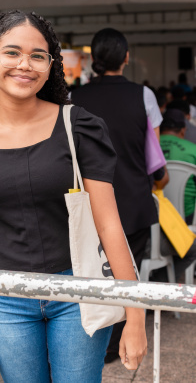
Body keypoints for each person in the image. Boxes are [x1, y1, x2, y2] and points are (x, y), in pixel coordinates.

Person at [0, 11, 147, 383]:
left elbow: (108, 224)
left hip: (78, 291)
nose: (25, 64)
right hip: (3, 300)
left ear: (50, 65)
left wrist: (135, 313)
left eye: (38, 55)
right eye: (12, 53)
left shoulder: (80, 126)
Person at [72, 27, 161, 364]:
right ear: (126, 58)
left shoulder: (74, 98)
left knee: (93, 270)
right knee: (130, 269)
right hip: (133, 196)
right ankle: (120, 341)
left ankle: (97, 339)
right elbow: (152, 150)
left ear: (93, 59)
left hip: (91, 201)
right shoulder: (144, 95)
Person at [160, 108, 196, 224]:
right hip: (187, 214)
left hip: (156, 212)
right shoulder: (193, 149)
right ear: (183, 130)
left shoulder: (147, 147)